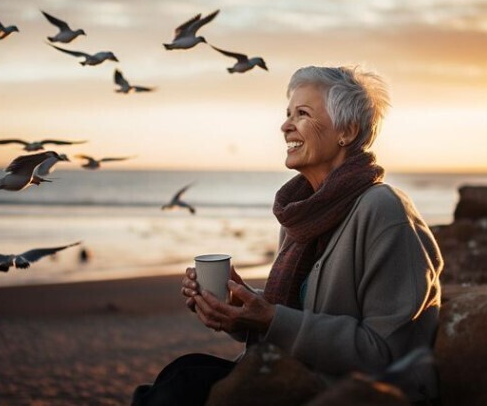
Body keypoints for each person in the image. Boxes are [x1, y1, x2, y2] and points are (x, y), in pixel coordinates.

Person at [131, 66, 443, 406]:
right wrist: (238, 303)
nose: (285, 126)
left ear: (347, 131)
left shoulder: (384, 210)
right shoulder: (302, 212)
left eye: (303, 114)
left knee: (181, 389)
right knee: (182, 373)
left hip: (352, 392)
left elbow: (384, 352)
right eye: (287, 114)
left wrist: (271, 318)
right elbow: (298, 312)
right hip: (295, 376)